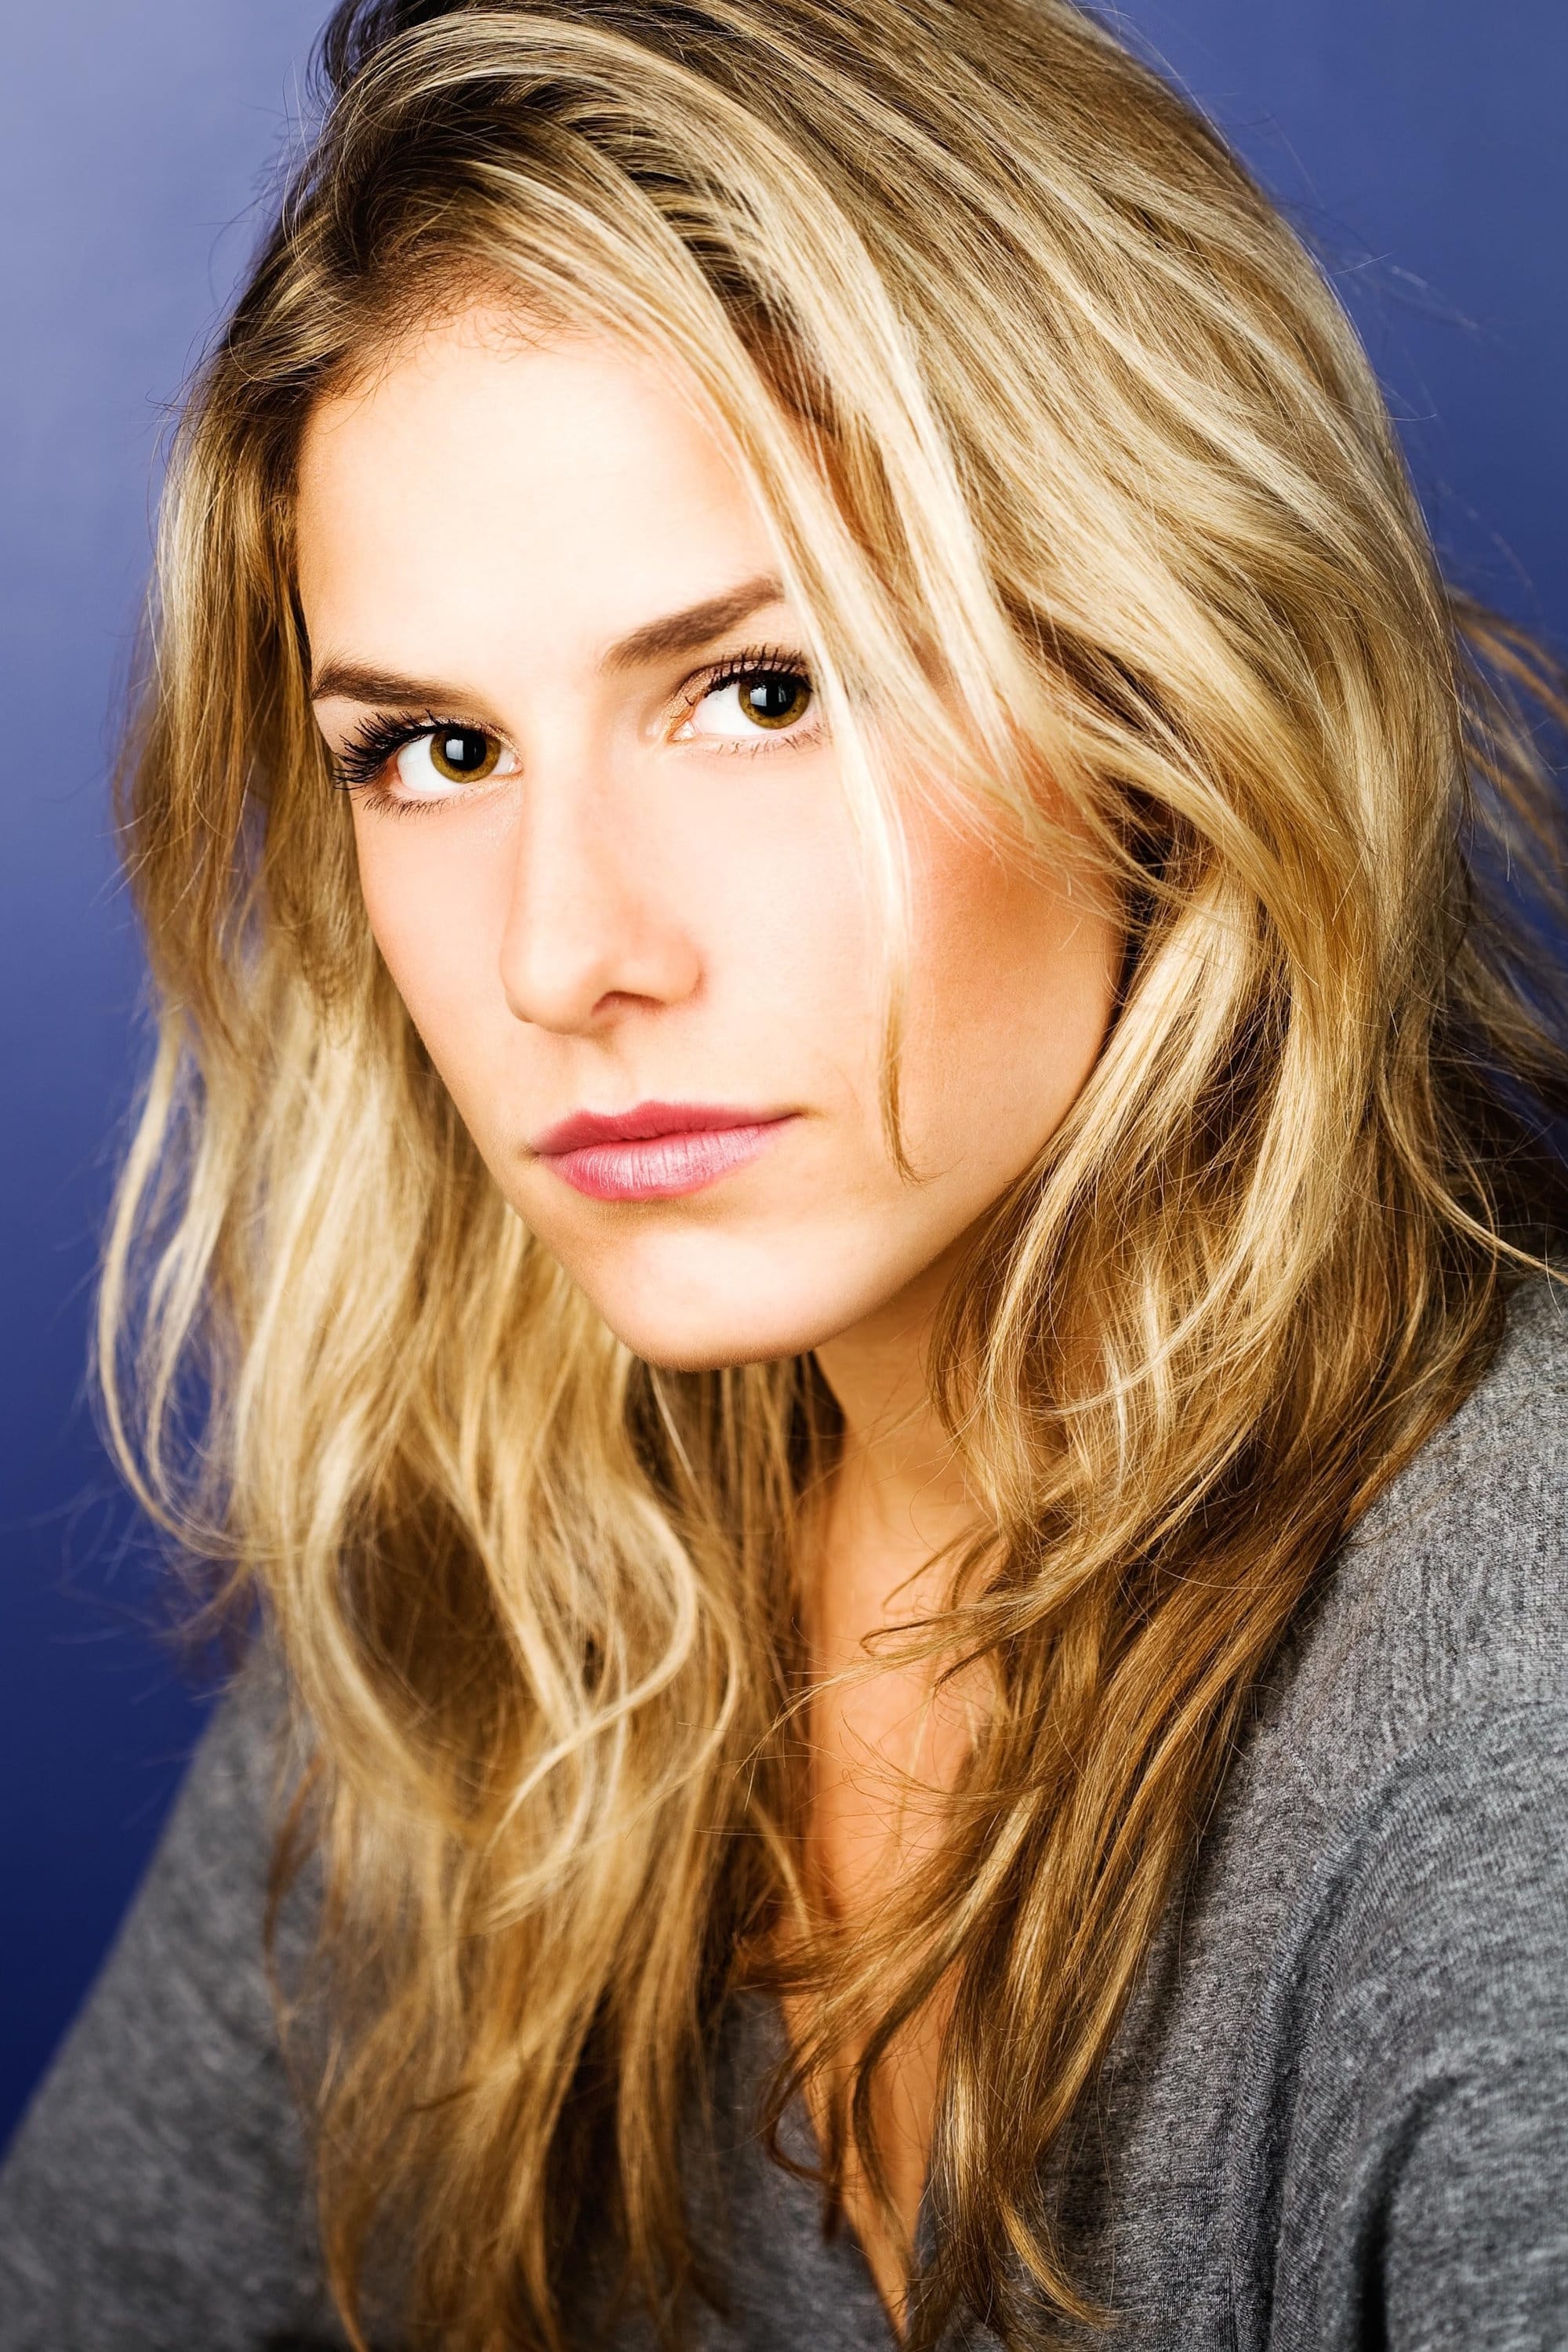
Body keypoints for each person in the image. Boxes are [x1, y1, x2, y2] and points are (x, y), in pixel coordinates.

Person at [2, 0, 1566, 2345]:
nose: (561, 956)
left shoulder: (1511, 1730)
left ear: (1159, 686)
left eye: (759, 690)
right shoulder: (532, 1551)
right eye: (432, 749)